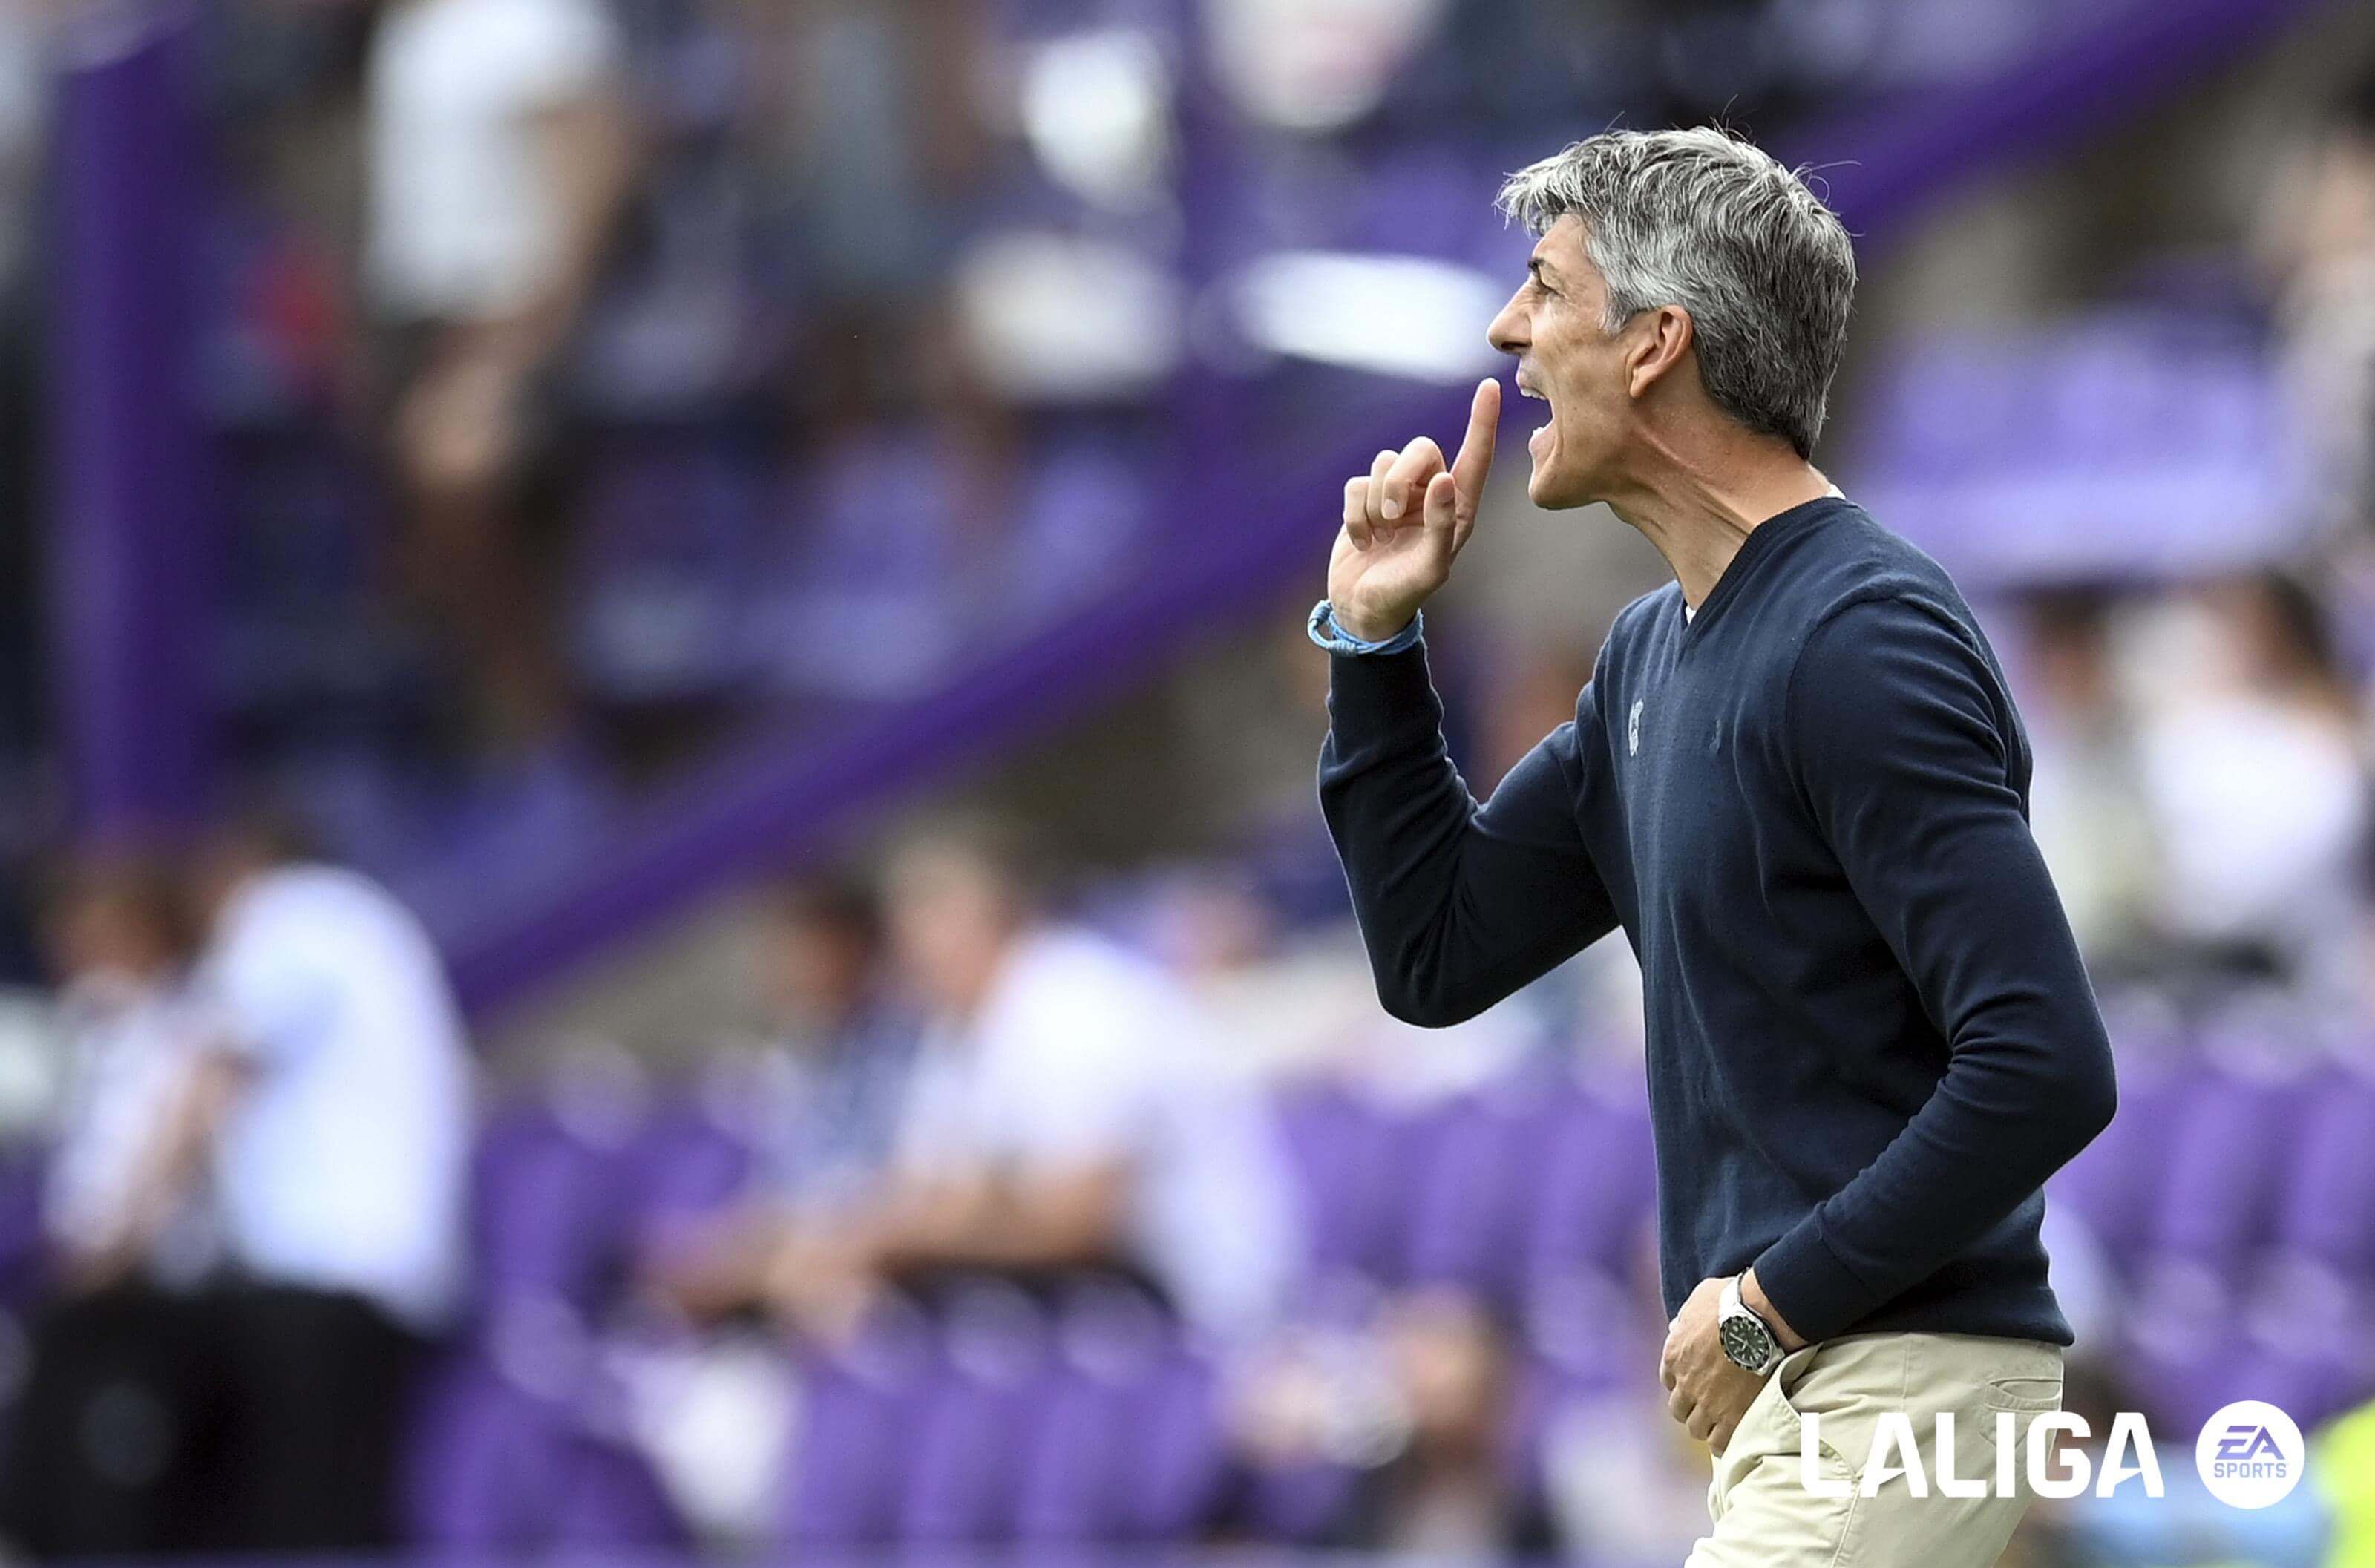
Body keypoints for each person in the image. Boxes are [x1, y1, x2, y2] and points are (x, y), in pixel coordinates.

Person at [1309, 127, 2116, 1567]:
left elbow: (2043, 1064)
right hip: (1801, 1403)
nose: (1507, 331)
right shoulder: (1649, 655)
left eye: (1545, 288)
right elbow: (1437, 955)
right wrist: (1374, 643)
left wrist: (1769, 1300)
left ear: (1653, 343)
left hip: (1897, 1381)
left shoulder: (1860, 638)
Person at [760, 819, 1300, 1345]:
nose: (914, 948)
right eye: (908, 925)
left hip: (1209, 1306)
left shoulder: (1072, 1003)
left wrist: (905, 1236)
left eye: (934, 919)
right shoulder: (956, 1029)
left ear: (999, 916)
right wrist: (844, 1247)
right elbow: (923, 1185)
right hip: (1106, 1304)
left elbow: (1078, 1221)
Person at [94, 819, 472, 1551]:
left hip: (319, 1284)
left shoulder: (288, 914)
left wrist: (118, 1238)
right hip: (380, 1282)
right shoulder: (367, 925)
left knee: (296, 1533)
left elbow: (203, 1091)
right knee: (338, 1522)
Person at [364, 0, 635, 751]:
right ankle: (505, 733)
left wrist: (519, 348)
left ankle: (549, 734)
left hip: (510, 326)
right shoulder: (410, 28)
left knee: (457, 473)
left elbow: (594, 173)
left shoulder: (531, 18)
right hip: (422, 327)